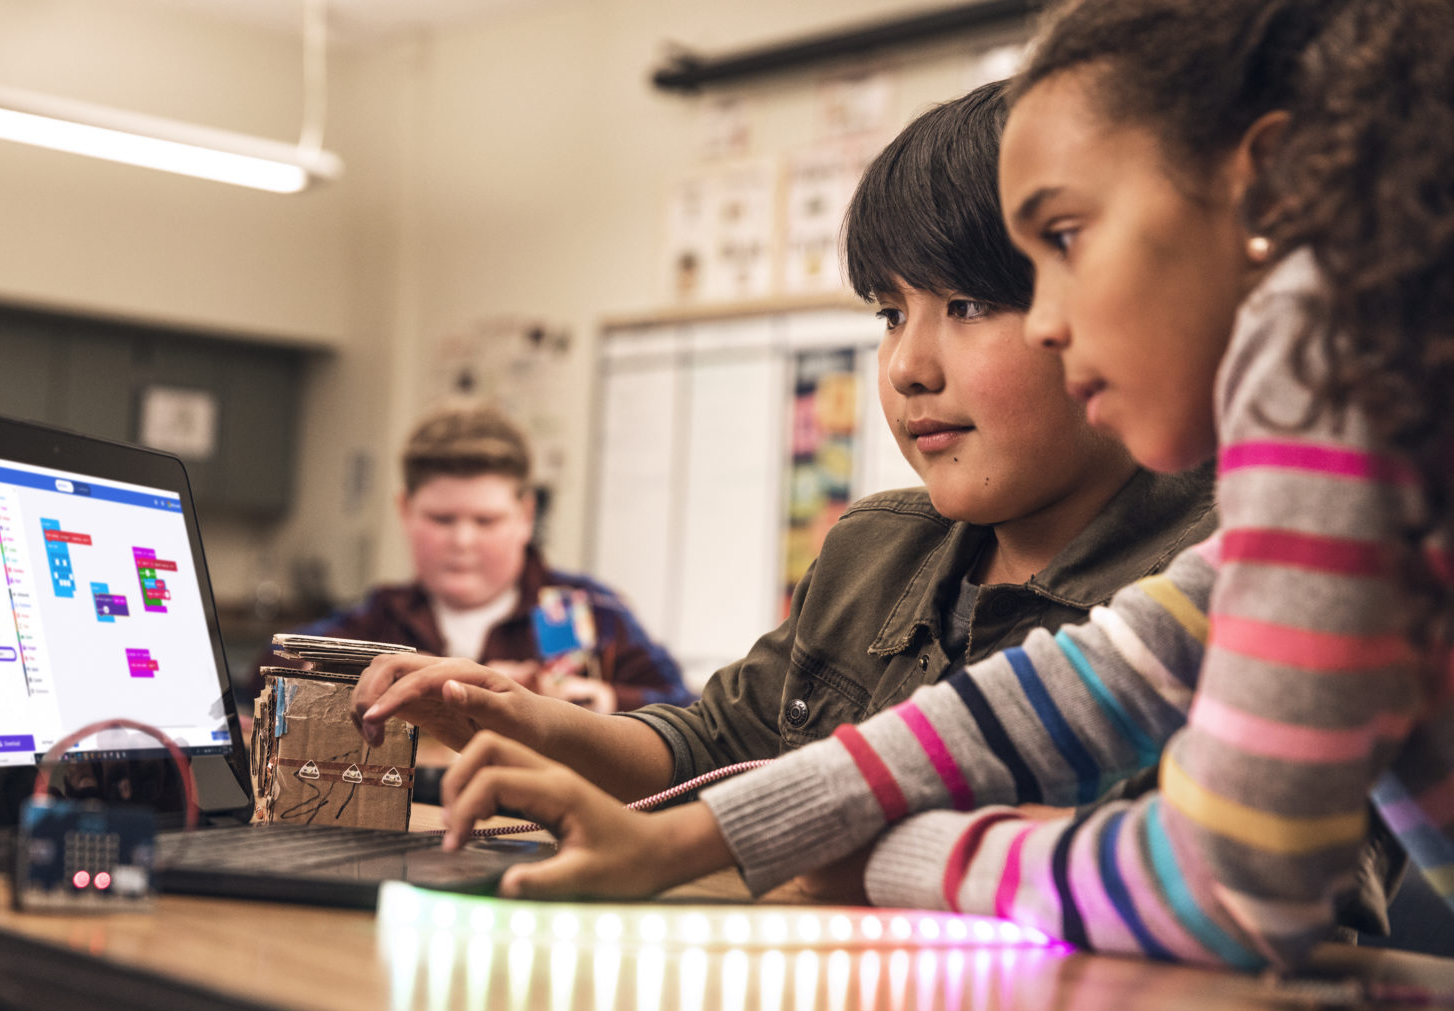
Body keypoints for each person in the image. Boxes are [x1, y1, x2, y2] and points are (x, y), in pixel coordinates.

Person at [433, 0, 1453, 971]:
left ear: (1264, 195)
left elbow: (1232, 883)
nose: (1050, 321)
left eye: (1052, 248)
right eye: (889, 313)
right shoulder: (1325, 467)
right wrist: (690, 839)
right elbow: (1073, 689)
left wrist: (880, 857)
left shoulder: (1333, 392)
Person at [356, 83, 1216, 807]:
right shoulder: (873, 551)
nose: (908, 367)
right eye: (890, 315)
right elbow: (710, 746)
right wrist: (517, 715)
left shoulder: (1231, 574)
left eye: (968, 306)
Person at [257, 401, 694, 744]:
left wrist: (606, 701)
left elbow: (688, 715)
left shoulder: (587, 613)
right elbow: (265, 675)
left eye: (486, 521)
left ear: (525, 515)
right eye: (442, 520)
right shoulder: (382, 618)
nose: (462, 541)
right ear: (405, 511)